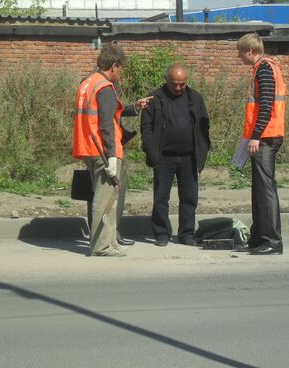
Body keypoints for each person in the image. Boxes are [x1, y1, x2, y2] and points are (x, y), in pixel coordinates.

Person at [73, 44, 152, 256]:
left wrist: (133, 107)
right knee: (105, 198)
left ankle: (108, 242)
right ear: (114, 66)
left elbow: (105, 113)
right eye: (121, 69)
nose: (120, 73)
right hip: (102, 149)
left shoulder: (88, 82)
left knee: (104, 195)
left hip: (87, 146)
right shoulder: (105, 87)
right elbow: (106, 124)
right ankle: (102, 246)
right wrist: (111, 157)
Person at [140, 63, 211, 246]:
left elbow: (204, 124)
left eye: (182, 83)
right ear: (167, 80)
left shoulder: (195, 98)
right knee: (161, 197)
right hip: (163, 157)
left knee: (189, 198)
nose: (178, 87)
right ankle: (161, 233)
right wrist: (150, 149)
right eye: (174, 84)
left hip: (189, 157)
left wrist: (203, 147)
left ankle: (187, 234)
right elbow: (146, 127)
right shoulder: (155, 98)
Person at [236, 33, 287, 255]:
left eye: (240, 53)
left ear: (249, 51)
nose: (239, 57)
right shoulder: (263, 67)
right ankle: (259, 237)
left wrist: (255, 136)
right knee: (259, 189)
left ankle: (272, 242)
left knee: (265, 190)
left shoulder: (264, 68)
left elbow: (266, 105)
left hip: (266, 137)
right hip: (265, 135)